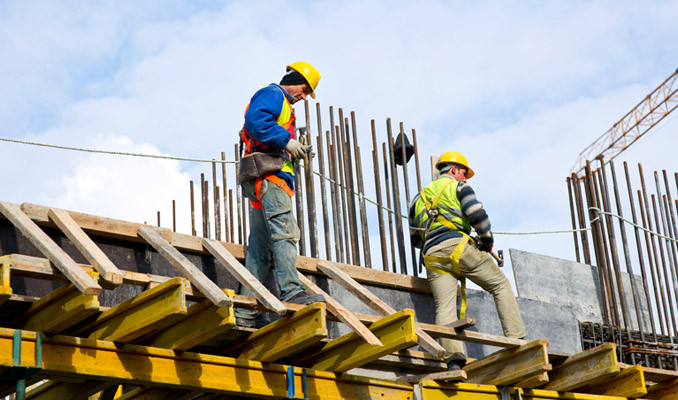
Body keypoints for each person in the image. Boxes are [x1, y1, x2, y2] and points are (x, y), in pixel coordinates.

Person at [408, 151, 525, 370]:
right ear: (453, 170)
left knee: (445, 307)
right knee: (500, 285)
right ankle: (517, 340)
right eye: (463, 173)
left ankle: (453, 360)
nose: (465, 178)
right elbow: (477, 215)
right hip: (459, 247)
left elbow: (415, 239)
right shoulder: (459, 187)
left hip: (432, 256)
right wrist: (487, 241)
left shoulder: (418, 198)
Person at [235, 61, 325, 328]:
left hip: (262, 180)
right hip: (270, 179)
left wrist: (293, 147)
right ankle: (292, 291)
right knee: (285, 234)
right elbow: (255, 121)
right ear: (294, 79)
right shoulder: (274, 94)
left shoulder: (284, 106)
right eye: (305, 89)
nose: (304, 96)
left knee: (260, 250)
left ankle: (245, 310)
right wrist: (287, 141)